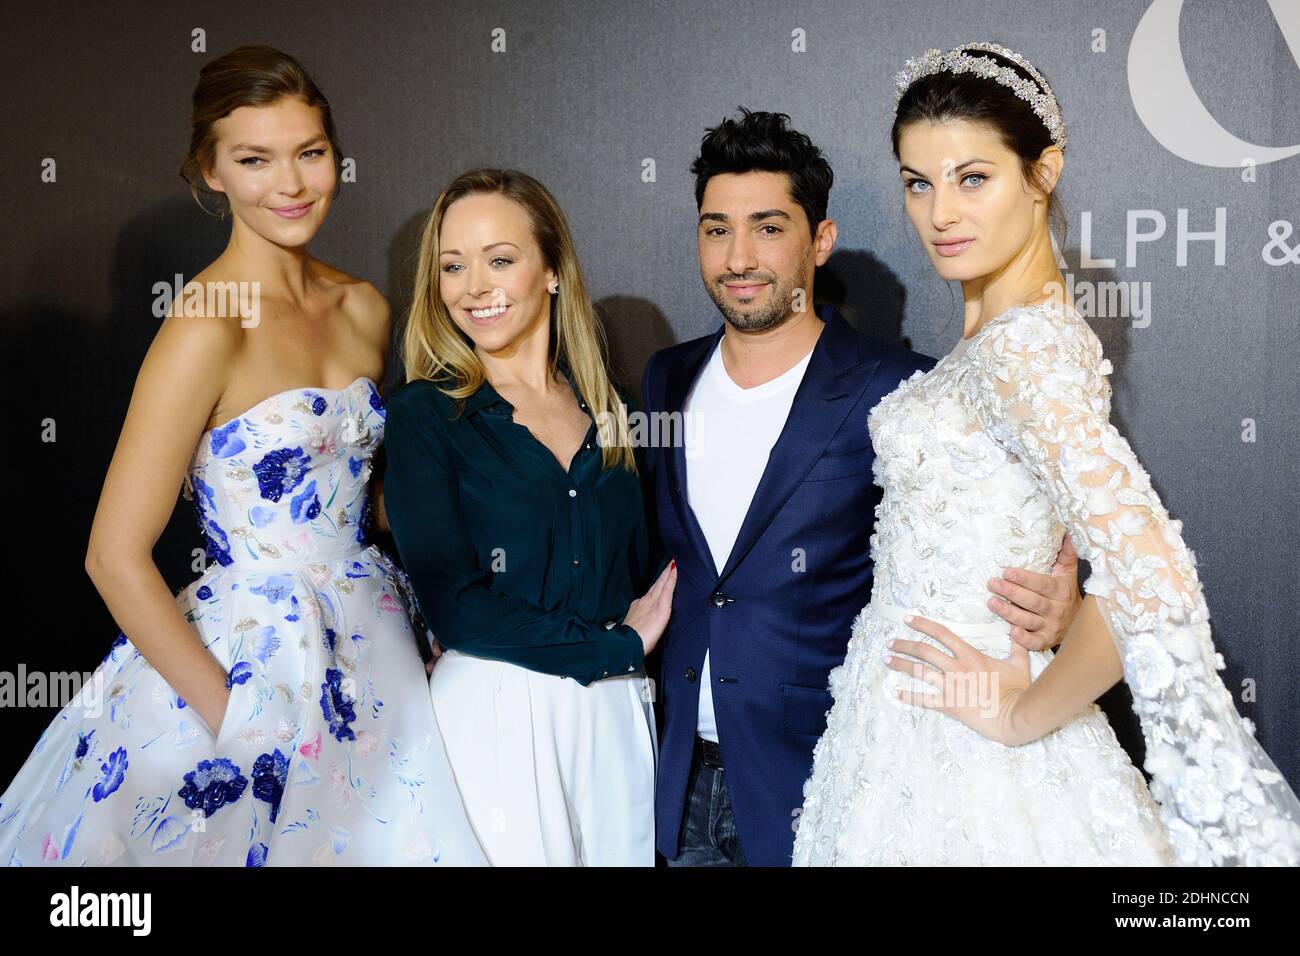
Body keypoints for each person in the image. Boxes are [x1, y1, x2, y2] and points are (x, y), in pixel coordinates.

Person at [793, 42, 1300, 866]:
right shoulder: (997, 341)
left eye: (973, 177)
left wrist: (1024, 713)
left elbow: (1152, 575)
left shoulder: (1022, 352)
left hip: (974, 747)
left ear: (1043, 172)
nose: (940, 213)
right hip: (901, 728)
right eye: (918, 182)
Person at [0, 46, 486, 867]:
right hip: (246, 663)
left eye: (310, 153)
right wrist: (233, 716)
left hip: (376, 642)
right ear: (210, 172)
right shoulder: (204, 326)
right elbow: (112, 556)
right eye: (254, 160)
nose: (290, 185)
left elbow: (363, 500)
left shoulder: (364, 306)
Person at [640, 108, 1087, 867]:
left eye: (768, 227)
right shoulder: (664, 378)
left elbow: (997, 525)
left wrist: (1063, 587)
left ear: (820, 240)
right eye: (717, 229)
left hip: (822, 775)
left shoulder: (900, 391)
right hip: (676, 775)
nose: (739, 256)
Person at [381, 168, 675, 866]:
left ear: (551, 271)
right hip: (495, 710)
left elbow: (644, 567)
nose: (473, 286)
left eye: (500, 260)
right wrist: (616, 647)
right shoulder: (427, 416)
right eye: (453, 266)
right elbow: (457, 608)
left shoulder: (617, 415)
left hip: (613, 712)